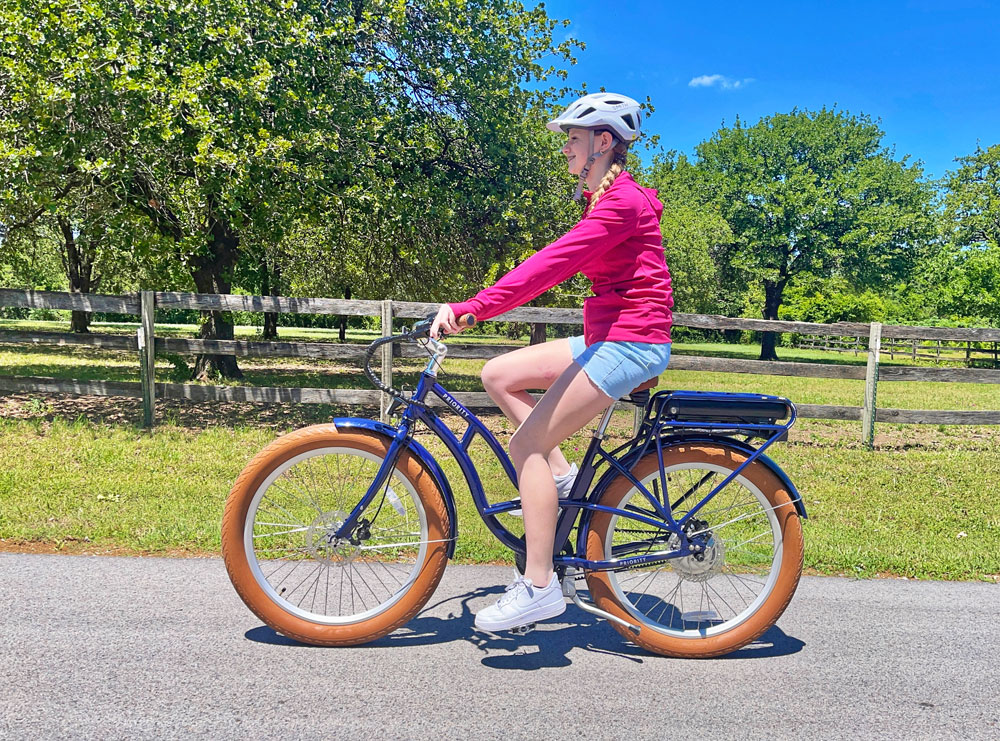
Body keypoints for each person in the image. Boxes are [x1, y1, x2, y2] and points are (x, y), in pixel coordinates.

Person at [430, 92, 674, 633]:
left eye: (572, 138)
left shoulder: (622, 203)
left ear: (603, 143)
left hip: (632, 342)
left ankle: (539, 587)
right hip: (607, 335)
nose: (564, 147)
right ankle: (560, 483)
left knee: (526, 445)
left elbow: (552, 264)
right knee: (499, 374)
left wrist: (475, 309)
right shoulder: (605, 197)